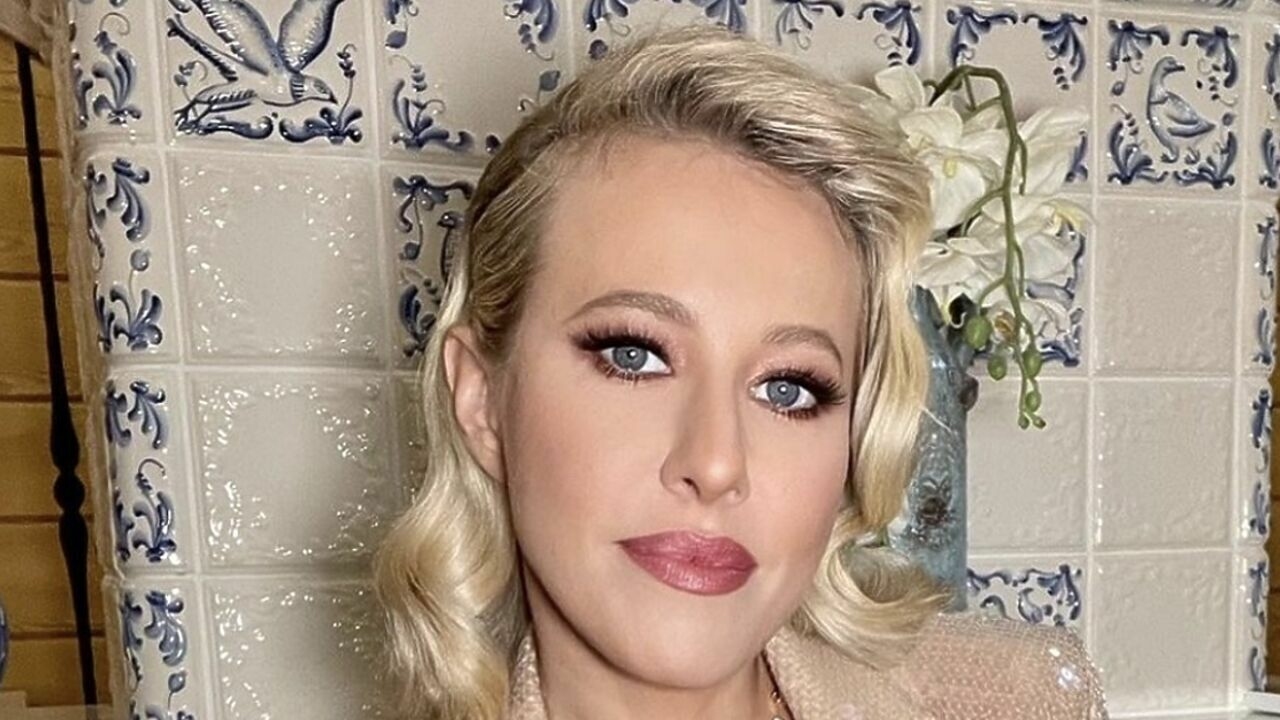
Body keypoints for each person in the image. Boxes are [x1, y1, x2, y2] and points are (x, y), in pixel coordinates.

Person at [373, 24, 1108, 720]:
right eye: (634, 355)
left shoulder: (1013, 699)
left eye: (789, 389)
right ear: (482, 401)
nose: (717, 463)